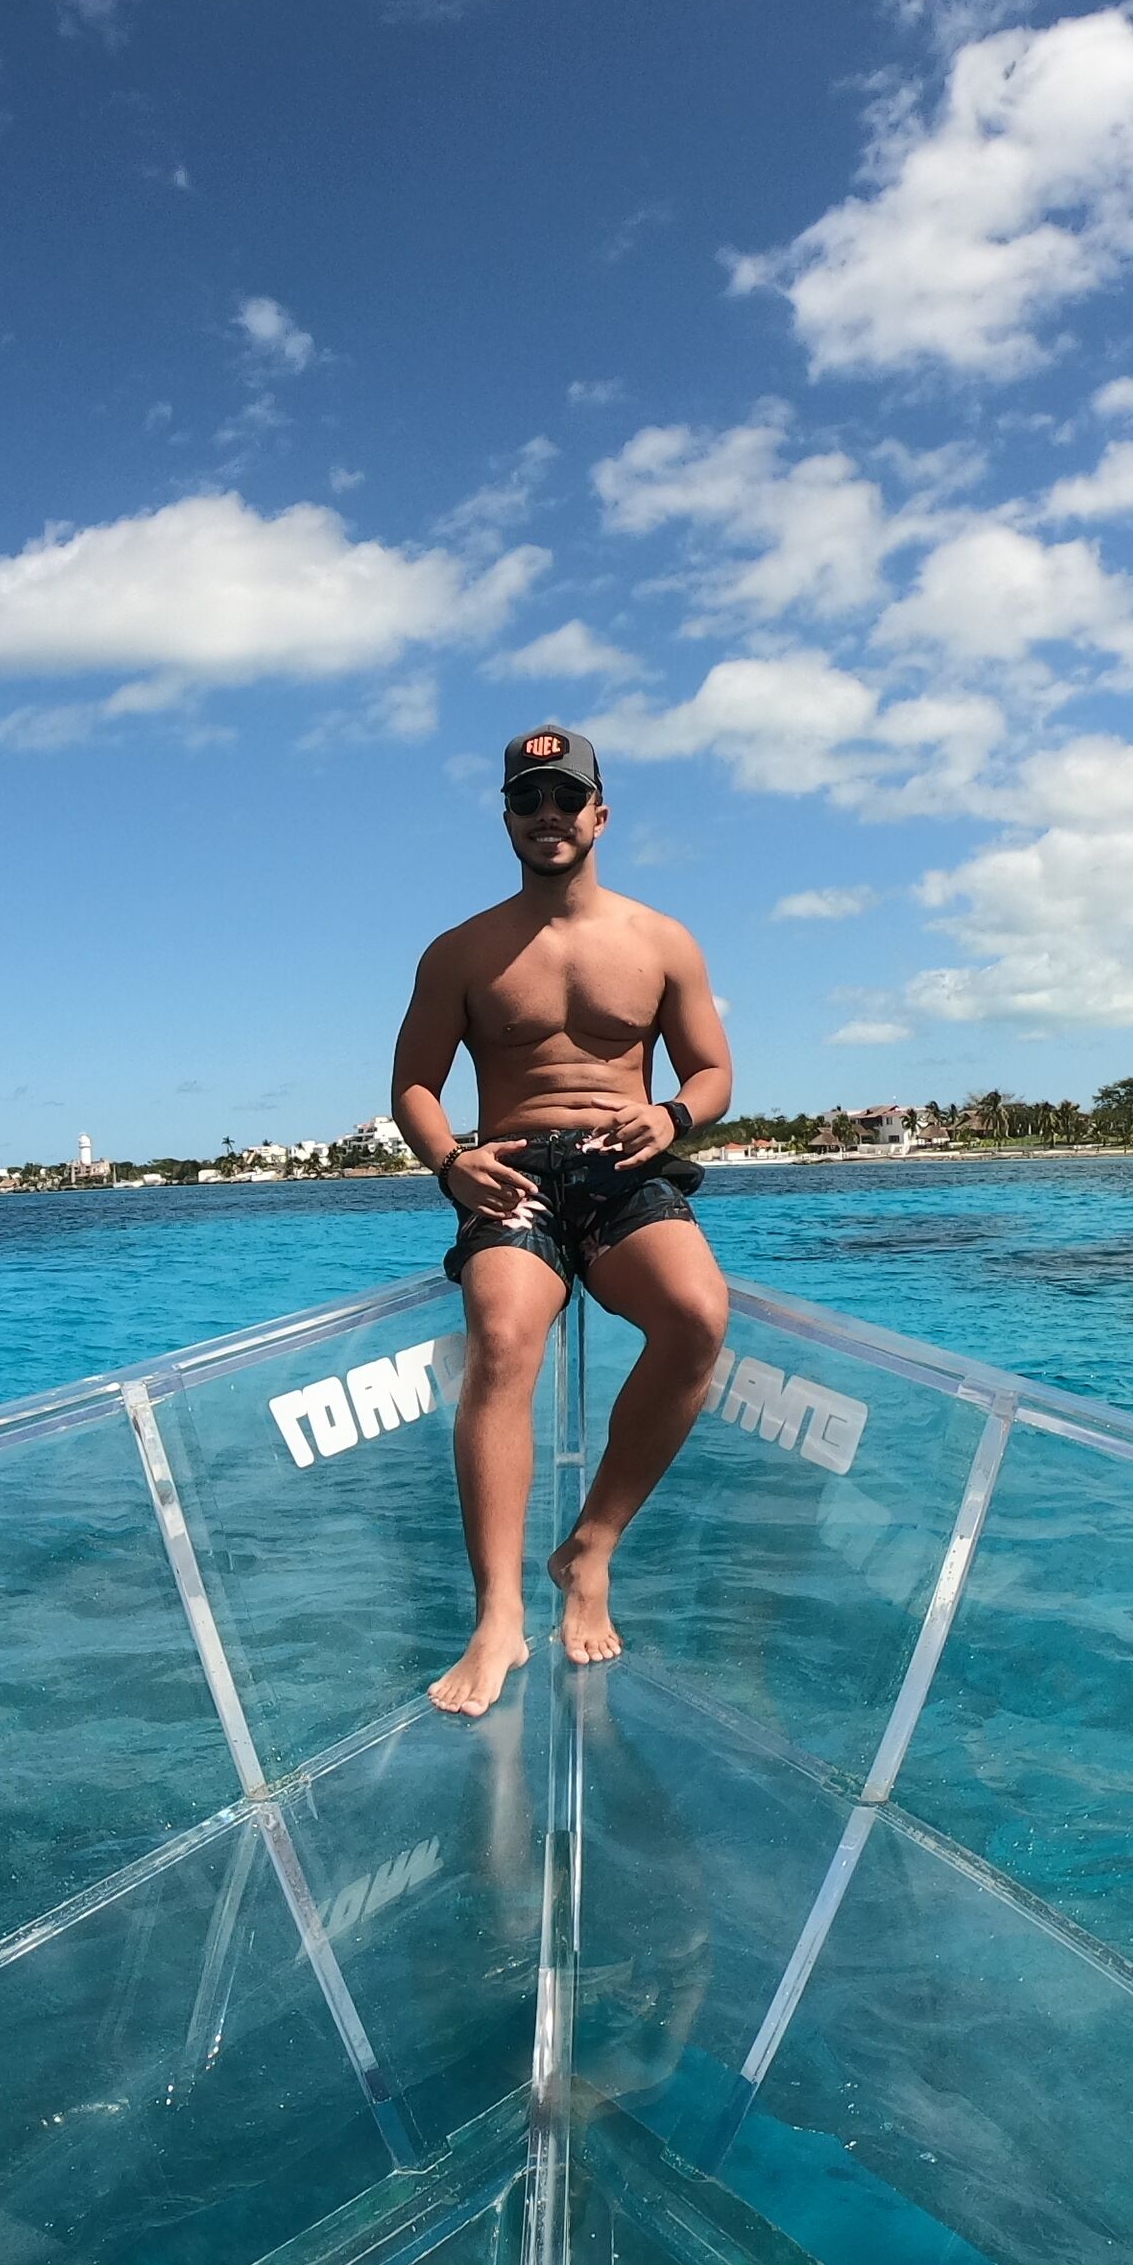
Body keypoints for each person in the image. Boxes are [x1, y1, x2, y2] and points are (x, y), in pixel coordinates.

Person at [390, 725, 733, 1715]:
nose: (548, 815)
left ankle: (592, 1545)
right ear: (506, 817)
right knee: (502, 1337)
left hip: (624, 1169)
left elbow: (711, 1074)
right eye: (528, 799)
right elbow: (414, 1082)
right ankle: (498, 1614)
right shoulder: (460, 951)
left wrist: (669, 1113)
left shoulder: (662, 941)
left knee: (697, 1315)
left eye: (565, 798)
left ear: (600, 814)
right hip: (512, 1177)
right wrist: (452, 1164)